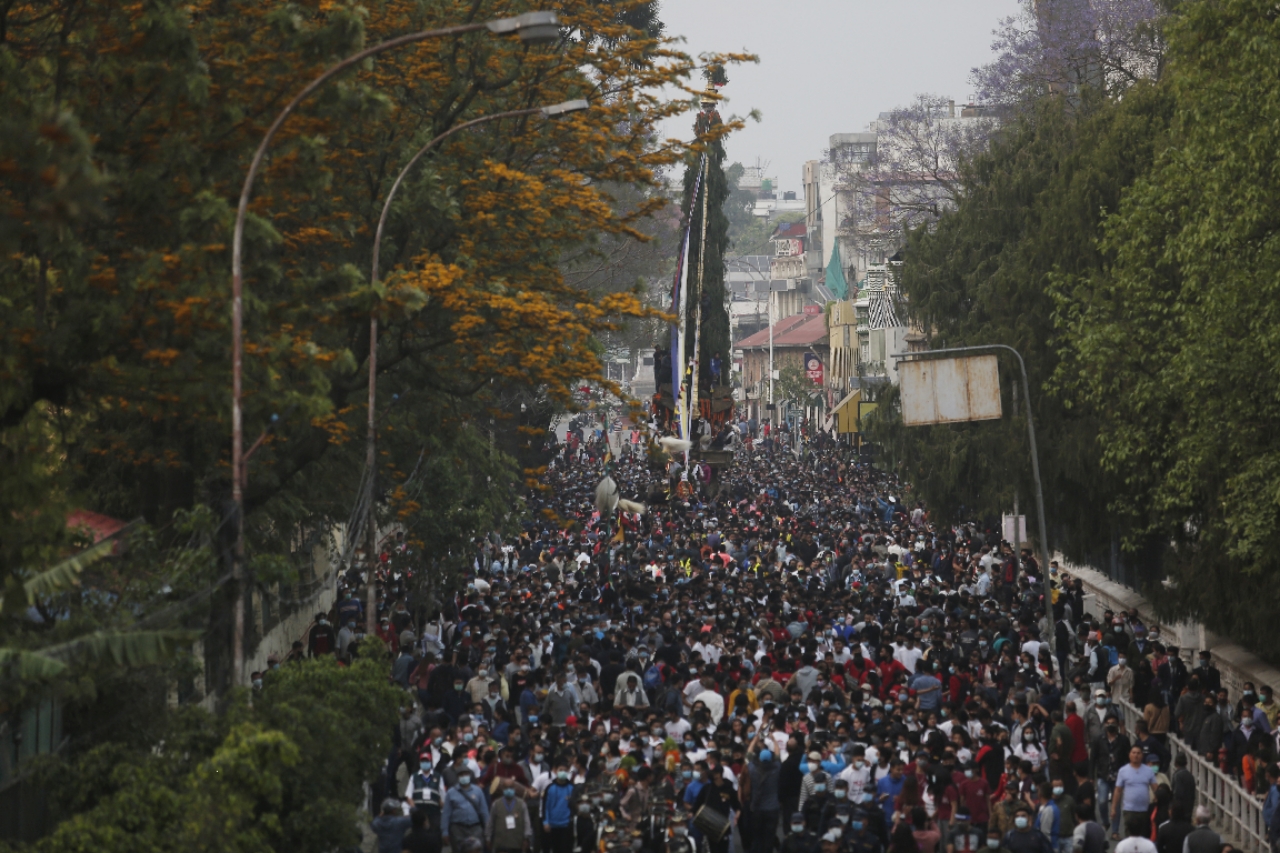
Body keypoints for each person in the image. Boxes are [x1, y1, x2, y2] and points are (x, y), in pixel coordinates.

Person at [1113, 746, 1157, 840]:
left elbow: (1155, 788)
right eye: (1133, 753)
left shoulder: (1149, 770)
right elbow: (1118, 790)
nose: (1136, 755)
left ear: (1142, 755)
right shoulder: (1123, 771)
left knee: (1144, 836)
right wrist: (1113, 808)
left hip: (1144, 810)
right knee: (1130, 836)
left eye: (1138, 753)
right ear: (1129, 755)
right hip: (1129, 810)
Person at [441, 768, 489, 851]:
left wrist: (488, 831)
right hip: (458, 829)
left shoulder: (478, 791)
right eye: (461, 775)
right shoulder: (451, 792)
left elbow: (484, 812)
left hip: (475, 828)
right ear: (458, 777)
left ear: (470, 776)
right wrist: (445, 831)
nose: (464, 777)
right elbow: (446, 813)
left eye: (466, 774)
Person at [486, 782, 533, 853]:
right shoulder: (496, 804)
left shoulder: (522, 804)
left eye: (511, 788)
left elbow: (527, 822)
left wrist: (526, 838)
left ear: (514, 789)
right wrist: (488, 837)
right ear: (503, 789)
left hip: (517, 842)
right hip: (500, 843)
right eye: (506, 788)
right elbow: (490, 822)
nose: (509, 790)